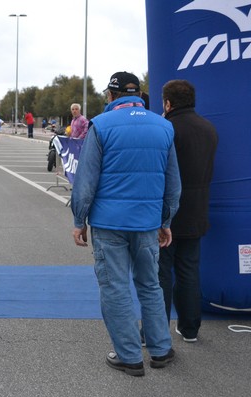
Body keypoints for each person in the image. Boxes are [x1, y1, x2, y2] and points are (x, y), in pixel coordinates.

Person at [71, 72, 181, 377]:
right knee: (150, 285)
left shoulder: (101, 125)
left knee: (115, 287)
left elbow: (86, 180)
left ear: (110, 96)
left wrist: (79, 220)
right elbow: (173, 184)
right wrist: (166, 220)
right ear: (140, 95)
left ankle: (129, 355)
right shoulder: (164, 126)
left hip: (109, 224)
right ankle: (160, 349)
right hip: (147, 222)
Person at [158, 79, 218, 343]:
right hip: (197, 211)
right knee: (189, 270)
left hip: (167, 213)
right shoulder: (209, 129)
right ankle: (190, 328)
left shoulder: (166, 128)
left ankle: (156, 330)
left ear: (168, 103)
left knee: (160, 273)